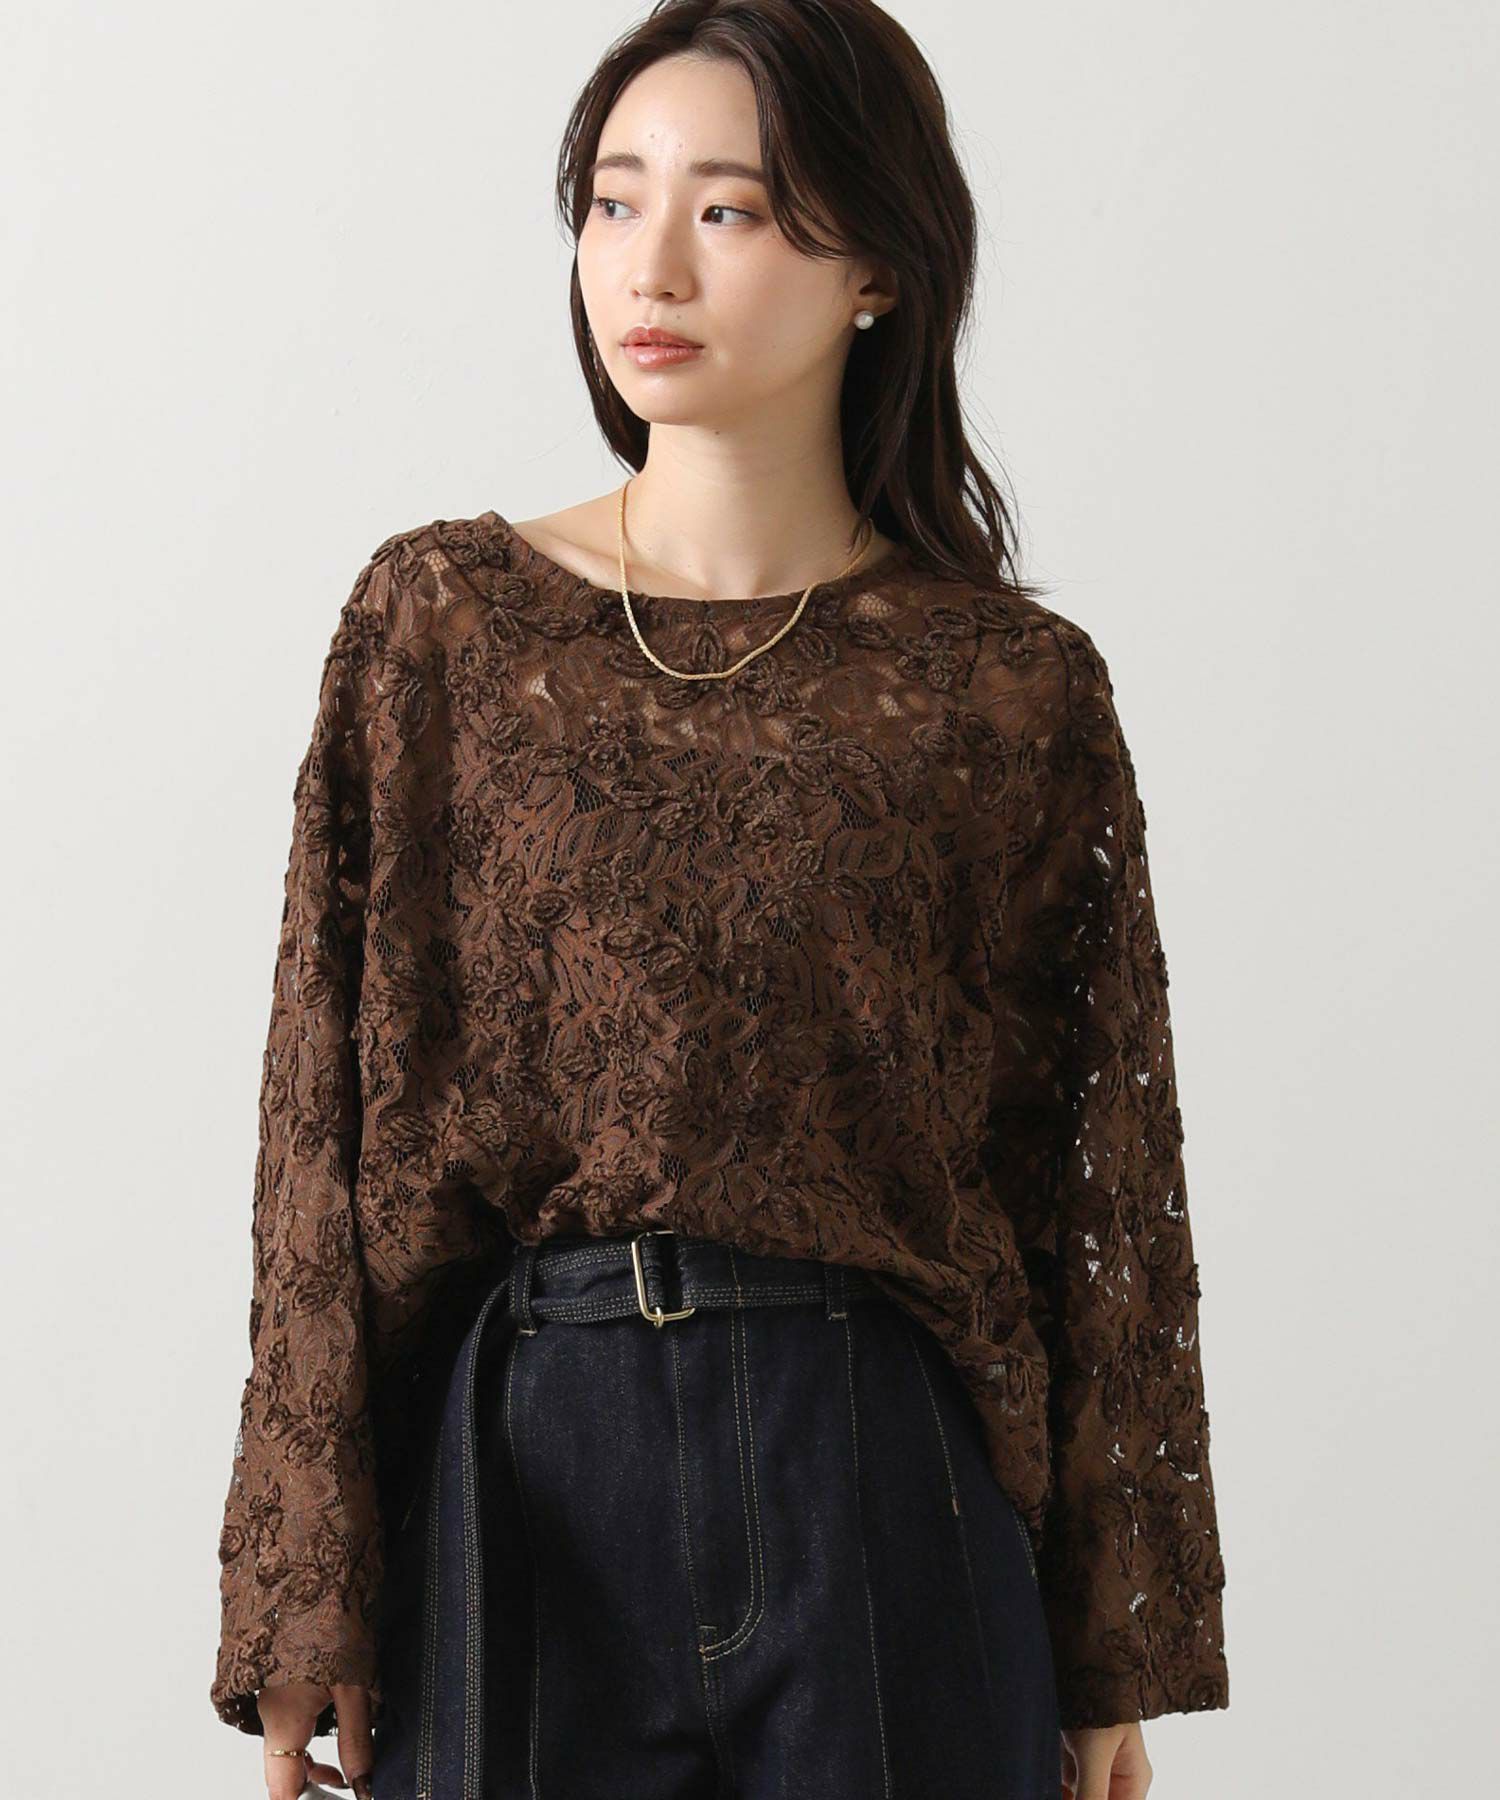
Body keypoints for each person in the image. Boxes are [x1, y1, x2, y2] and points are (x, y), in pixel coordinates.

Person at [211, 5, 1229, 1797]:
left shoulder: (1005, 690)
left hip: (885, 1480)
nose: (651, 264)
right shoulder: (443, 627)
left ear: (878, 269)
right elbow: (325, 1129)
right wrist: (306, 1583)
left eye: (731, 210)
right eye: (614, 202)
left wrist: (1106, 1647)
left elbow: (1089, 1184)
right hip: (524, 1471)